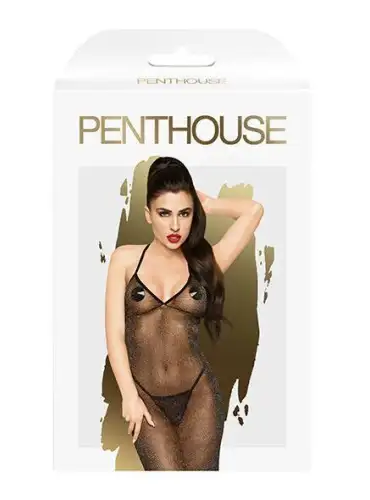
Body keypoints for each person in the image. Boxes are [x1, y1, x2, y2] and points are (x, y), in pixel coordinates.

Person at [105, 156, 264, 470]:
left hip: (198, 395)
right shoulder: (124, 259)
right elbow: (114, 335)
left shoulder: (206, 262)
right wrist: (129, 396)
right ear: (148, 214)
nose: (175, 226)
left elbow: (254, 210)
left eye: (185, 213)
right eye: (164, 213)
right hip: (144, 397)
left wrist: (211, 205)